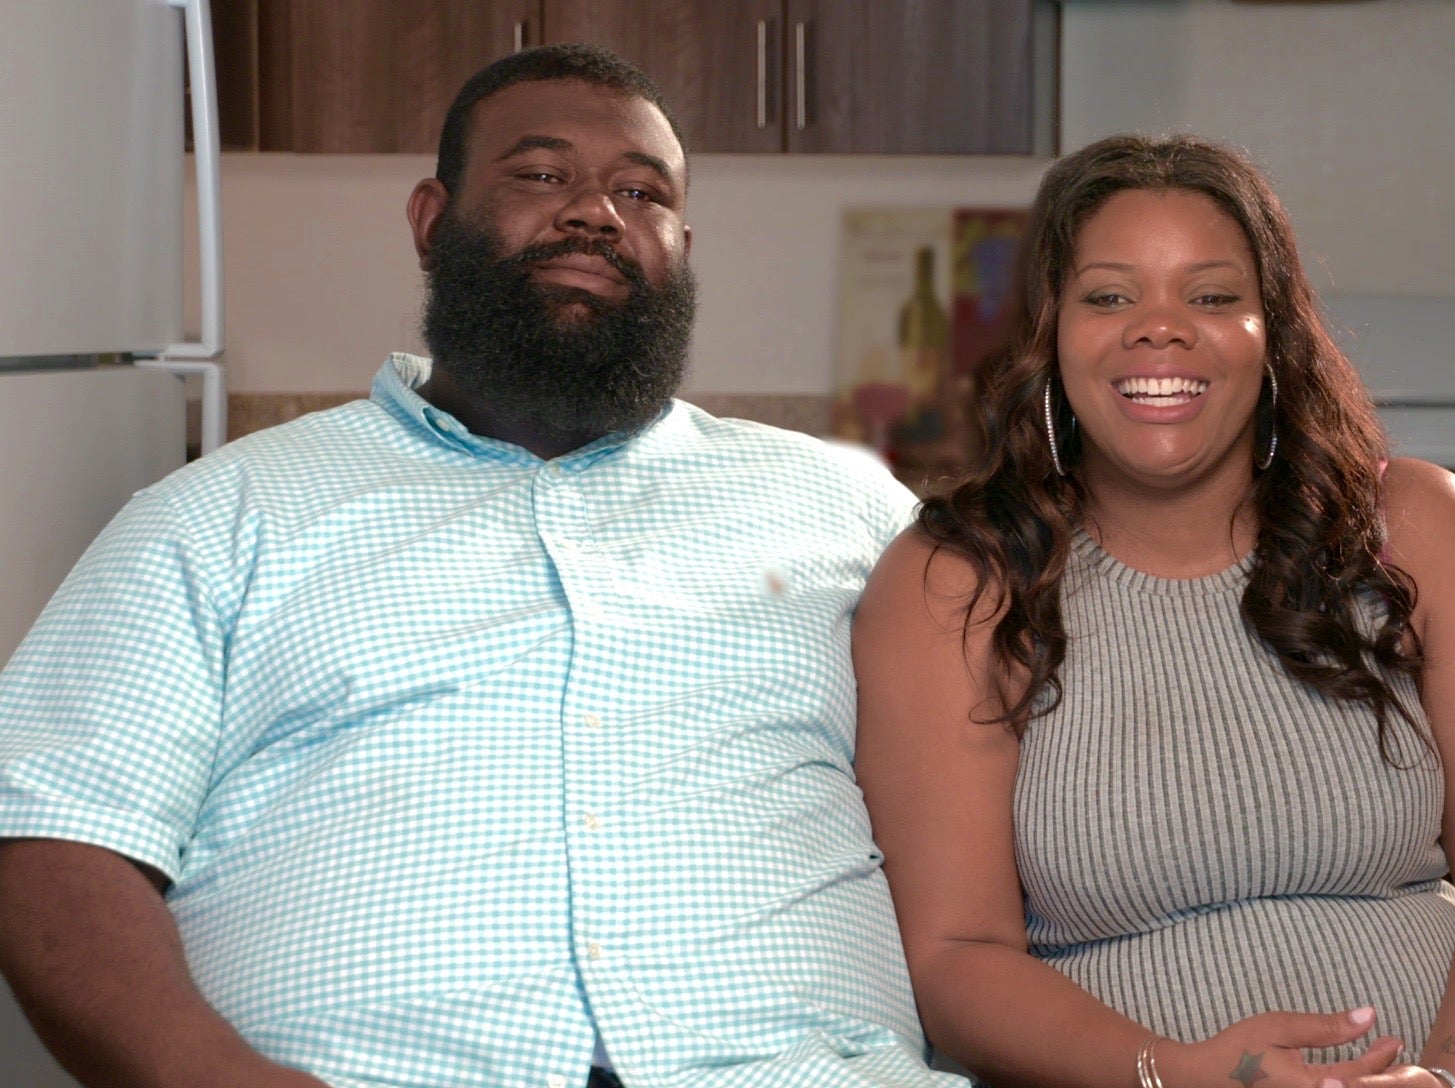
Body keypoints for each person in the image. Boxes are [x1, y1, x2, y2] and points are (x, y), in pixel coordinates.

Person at [0, 45, 957, 1088]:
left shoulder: (852, 512)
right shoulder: (218, 514)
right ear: (431, 219)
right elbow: (55, 836)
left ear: (682, 249)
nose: (596, 212)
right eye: (541, 174)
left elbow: (1013, 809)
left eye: (642, 192)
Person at [853, 134, 1455, 1088]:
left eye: (1211, 297)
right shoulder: (958, 583)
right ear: (1050, 333)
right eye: (1109, 297)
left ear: (1273, 334)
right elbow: (956, 957)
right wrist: (1171, 1072)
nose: (1159, 331)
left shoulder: (1422, 530)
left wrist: (1448, 1082)